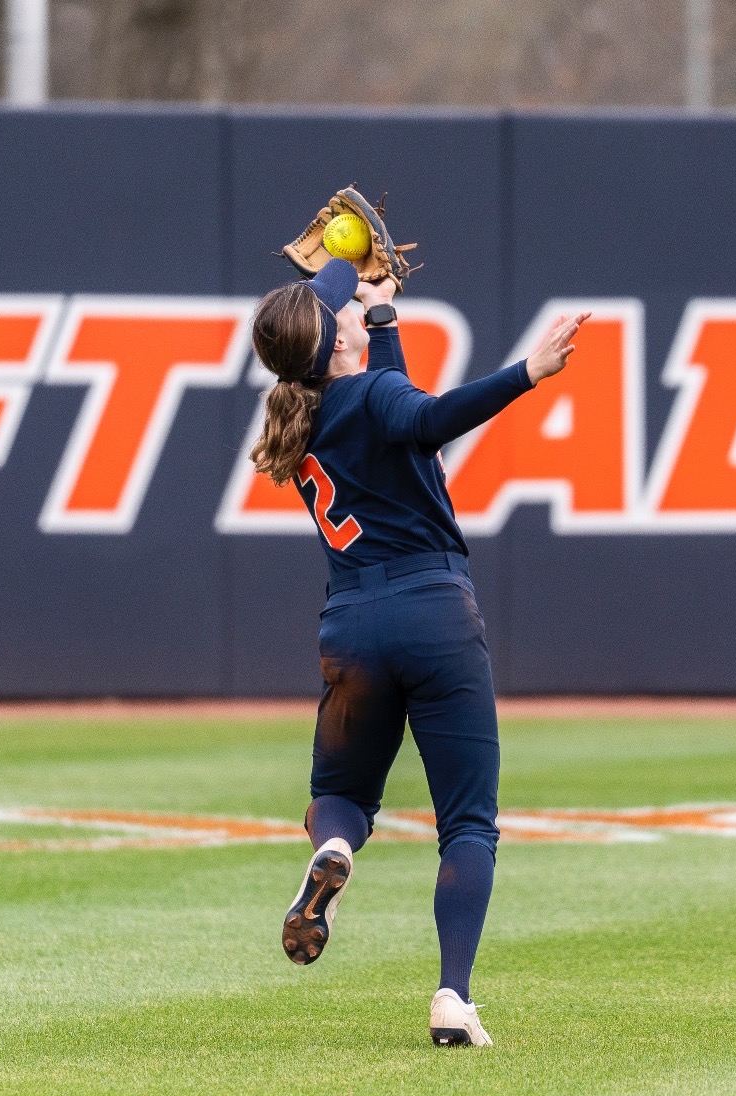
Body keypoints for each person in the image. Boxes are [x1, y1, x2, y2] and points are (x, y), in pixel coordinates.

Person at [249, 256, 587, 1047]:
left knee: (339, 795)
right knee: (468, 821)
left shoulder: (302, 420)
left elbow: (392, 411)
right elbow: (425, 418)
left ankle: (333, 848)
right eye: (341, 313)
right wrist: (528, 372)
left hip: (353, 621)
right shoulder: (370, 395)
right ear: (332, 342)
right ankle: (451, 996)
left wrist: (381, 313)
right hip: (433, 612)